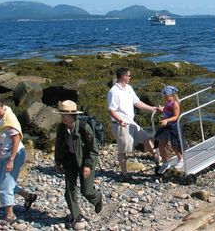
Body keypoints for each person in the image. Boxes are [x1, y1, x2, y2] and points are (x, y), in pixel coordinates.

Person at [0, 92, 37, 223]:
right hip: (3, 154)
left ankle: (10, 216)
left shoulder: (10, 119)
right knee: (0, 183)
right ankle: (28, 196)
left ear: (0, 106)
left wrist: (11, 160)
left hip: (14, 154)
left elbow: (16, 140)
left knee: (5, 186)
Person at [54, 100, 103, 228]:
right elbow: (58, 145)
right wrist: (58, 161)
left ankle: (97, 198)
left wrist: (87, 165)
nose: (62, 118)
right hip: (70, 160)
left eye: (65, 115)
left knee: (86, 190)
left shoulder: (83, 127)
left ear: (72, 116)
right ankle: (76, 217)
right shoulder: (61, 127)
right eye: (61, 115)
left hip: (86, 159)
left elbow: (94, 149)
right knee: (69, 189)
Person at [108, 67, 158, 181]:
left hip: (131, 122)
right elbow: (111, 110)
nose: (130, 77)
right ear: (123, 77)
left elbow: (137, 103)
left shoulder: (129, 88)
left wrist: (152, 108)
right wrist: (120, 120)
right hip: (120, 125)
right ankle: (124, 173)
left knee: (146, 138)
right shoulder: (113, 91)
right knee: (123, 150)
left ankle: (156, 158)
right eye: (129, 76)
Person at [154, 86, 187, 174]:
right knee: (161, 144)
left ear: (171, 95)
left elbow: (176, 116)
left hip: (173, 126)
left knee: (174, 145)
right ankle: (165, 162)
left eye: (166, 95)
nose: (164, 97)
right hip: (166, 126)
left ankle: (180, 160)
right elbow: (166, 112)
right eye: (163, 95)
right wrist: (161, 110)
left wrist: (166, 120)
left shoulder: (175, 103)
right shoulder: (167, 102)